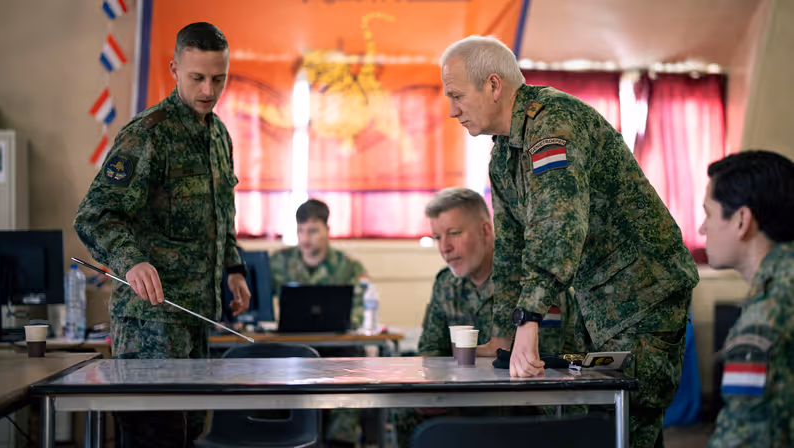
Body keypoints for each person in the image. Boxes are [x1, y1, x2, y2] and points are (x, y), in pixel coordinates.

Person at [439, 35, 699, 447]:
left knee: (627, 421)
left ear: (492, 85)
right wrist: (505, 334)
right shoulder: (503, 152)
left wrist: (529, 319)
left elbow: (558, 227)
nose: (452, 110)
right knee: (597, 421)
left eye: (456, 95)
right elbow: (510, 249)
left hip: (642, 295)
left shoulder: (554, 126)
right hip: (596, 300)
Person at [74, 22, 250, 447]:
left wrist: (234, 268)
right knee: (155, 438)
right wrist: (131, 259)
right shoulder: (148, 134)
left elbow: (221, 213)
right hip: (149, 324)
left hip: (195, 321)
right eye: (197, 78)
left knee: (190, 434)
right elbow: (94, 215)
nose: (209, 89)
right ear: (174, 69)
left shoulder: (218, 135)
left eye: (218, 78)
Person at [394, 187, 577, 447]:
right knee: (404, 410)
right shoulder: (445, 285)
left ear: (485, 231)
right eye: (437, 237)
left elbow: (546, 362)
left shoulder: (534, 285)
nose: (444, 248)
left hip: (529, 408)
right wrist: (431, 393)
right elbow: (431, 353)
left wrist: (480, 354)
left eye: (454, 233)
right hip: (463, 405)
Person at [699, 151, 794, 448]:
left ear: (741, 219)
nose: (702, 228)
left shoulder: (763, 321)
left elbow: (744, 439)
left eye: (709, 214)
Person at [268, 198, 369, 447]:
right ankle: (278, 437)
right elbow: (256, 305)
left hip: (335, 351)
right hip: (290, 351)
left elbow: (360, 313)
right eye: (300, 230)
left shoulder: (349, 267)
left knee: (353, 365)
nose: (305, 237)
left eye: (312, 230)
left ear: (327, 231)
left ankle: (340, 441)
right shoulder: (278, 263)